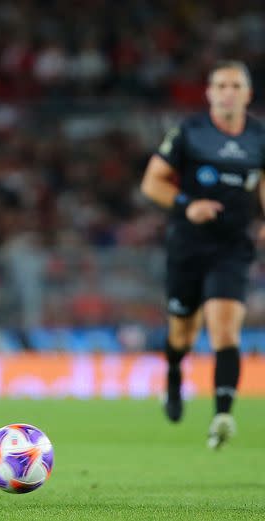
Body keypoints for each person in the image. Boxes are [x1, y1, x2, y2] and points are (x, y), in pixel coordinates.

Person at [140, 60, 265, 449]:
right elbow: (151, 183)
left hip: (232, 246)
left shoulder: (260, 137)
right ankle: (175, 374)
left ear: (248, 94)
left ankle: (222, 415)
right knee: (182, 332)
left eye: (235, 86)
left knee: (225, 328)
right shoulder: (189, 133)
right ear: (210, 93)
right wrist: (186, 204)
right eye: (221, 85)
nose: (228, 92)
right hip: (188, 245)